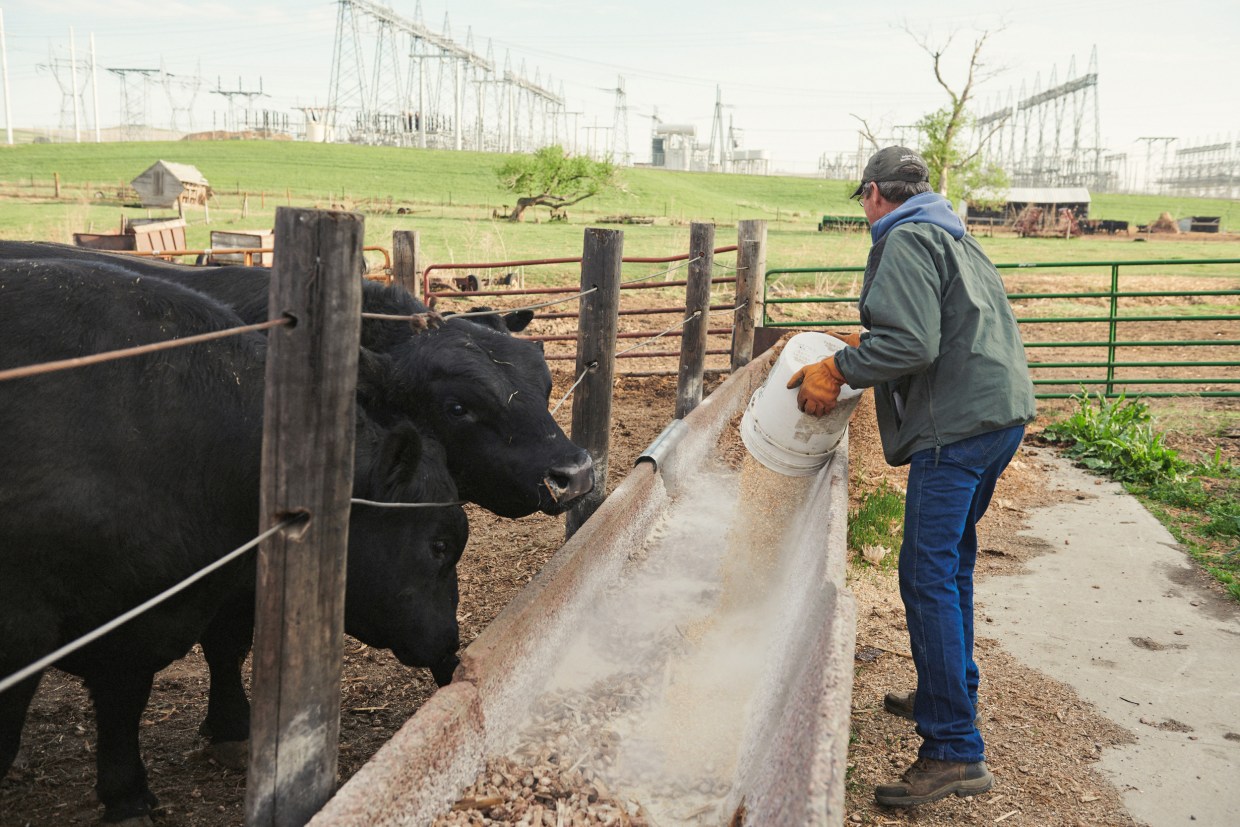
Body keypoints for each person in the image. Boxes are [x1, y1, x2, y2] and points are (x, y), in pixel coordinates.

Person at [787, 146, 1036, 807]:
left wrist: (838, 367)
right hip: (998, 418)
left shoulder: (901, 239)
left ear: (873, 193)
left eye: (863, 198)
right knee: (950, 564)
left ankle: (953, 747)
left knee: (925, 574)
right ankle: (944, 691)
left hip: (954, 429)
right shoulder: (953, 233)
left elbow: (911, 344)